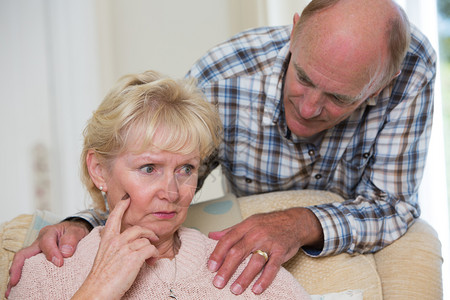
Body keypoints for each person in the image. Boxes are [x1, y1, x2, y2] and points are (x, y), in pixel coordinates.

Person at [6, 0, 437, 297]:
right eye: (304, 77)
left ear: (382, 84)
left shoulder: (412, 70)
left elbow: (394, 204)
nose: (308, 109)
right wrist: (82, 225)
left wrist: (301, 223)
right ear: (293, 34)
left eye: (339, 98)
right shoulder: (223, 78)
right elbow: (150, 171)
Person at [8, 70, 310, 299]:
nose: (172, 192)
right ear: (99, 170)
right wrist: (97, 289)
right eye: (149, 168)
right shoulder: (44, 276)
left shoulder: (248, 272)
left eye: (185, 169)